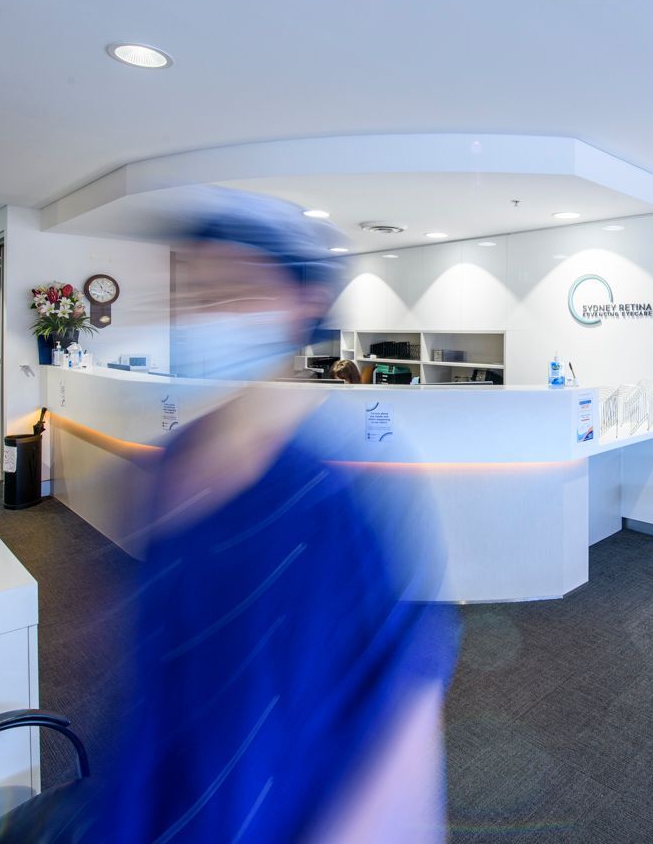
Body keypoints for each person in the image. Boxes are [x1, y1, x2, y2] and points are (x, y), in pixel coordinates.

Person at [83, 193, 458, 843]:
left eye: (240, 290)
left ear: (303, 306)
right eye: (198, 293)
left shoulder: (341, 494)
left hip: (272, 806)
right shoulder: (163, 469)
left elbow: (400, 718)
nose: (213, 314)